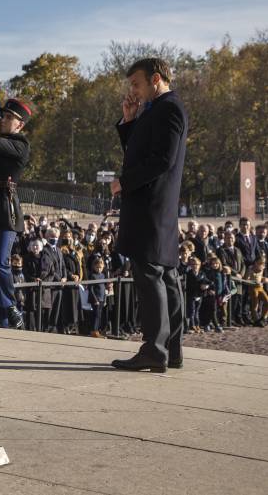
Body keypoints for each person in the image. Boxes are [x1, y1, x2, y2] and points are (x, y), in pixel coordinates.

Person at [110, 58, 188, 372]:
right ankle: (171, 349)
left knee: (151, 275)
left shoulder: (169, 108)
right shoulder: (157, 109)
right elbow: (141, 151)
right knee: (165, 275)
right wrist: (129, 121)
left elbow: (162, 160)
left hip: (150, 204)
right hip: (155, 204)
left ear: (156, 79)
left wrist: (124, 183)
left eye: (137, 84)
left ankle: (155, 350)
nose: (134, 91)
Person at [0, 98, 32, 329]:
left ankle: (10, 305)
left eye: (9, 117)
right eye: (2, 115)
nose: (3, 119)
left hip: (5, 209)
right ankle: (0, 315)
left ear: (20, 125)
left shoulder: (21, 144)